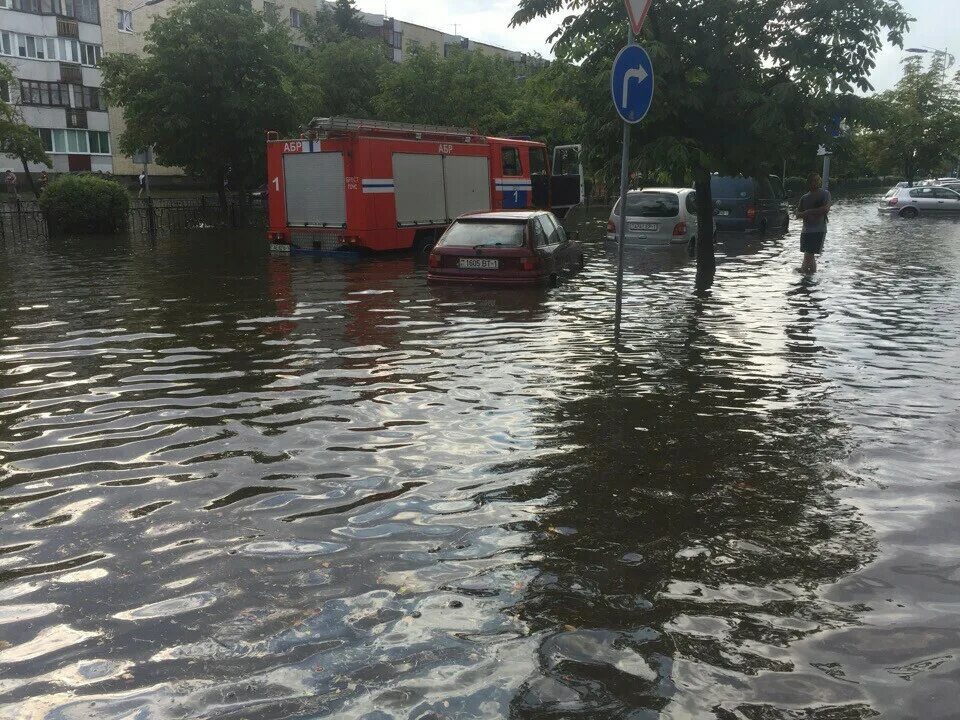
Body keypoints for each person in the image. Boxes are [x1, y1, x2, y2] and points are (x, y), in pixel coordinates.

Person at [796, 173, 832, 274]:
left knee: (808, 255)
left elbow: (826, 209)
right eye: (813, 181)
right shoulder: (804, 197)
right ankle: (811, 276)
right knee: (809, 255)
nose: (816, 183)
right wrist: (804, 213)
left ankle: (802, 274)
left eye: (817, 180)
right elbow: (797, 214)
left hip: (818, 230)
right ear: (809, 183)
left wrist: (808, 212)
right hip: (806, 231)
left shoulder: (825, 194)